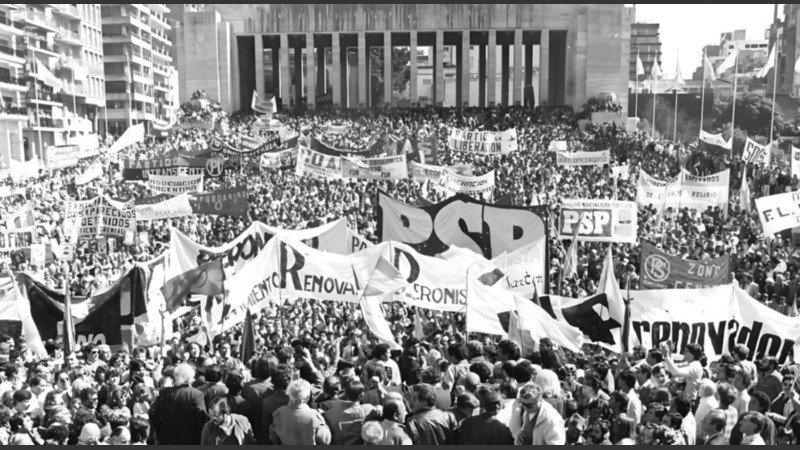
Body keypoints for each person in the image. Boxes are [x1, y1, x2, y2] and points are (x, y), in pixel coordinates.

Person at [148, 363, 209, 444]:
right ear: (189, 377)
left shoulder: (164, 392)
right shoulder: (196, 395)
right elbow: (202, 419)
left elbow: (152, 412)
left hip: (166, 440)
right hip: (190, 440)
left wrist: (160, 430)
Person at [269, 379, 331, 445]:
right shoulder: (315, 416)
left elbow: (274, 439)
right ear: (307, 397)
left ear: (290, 396)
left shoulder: (278, 414)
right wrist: (323, 422)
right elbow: (326, 441)